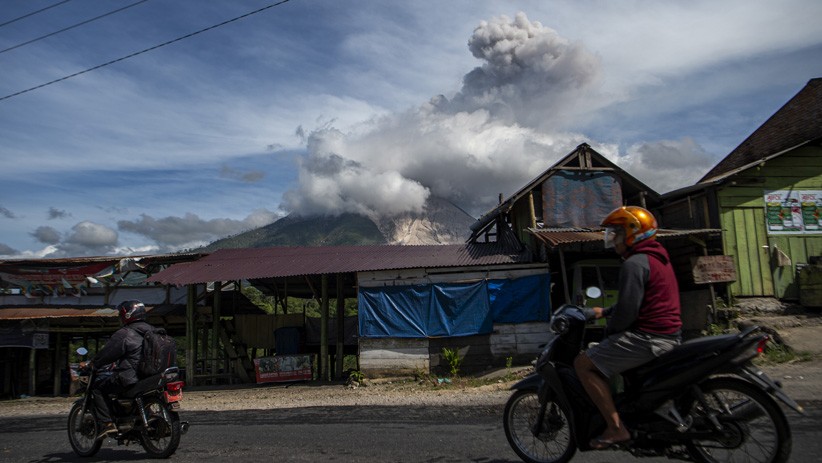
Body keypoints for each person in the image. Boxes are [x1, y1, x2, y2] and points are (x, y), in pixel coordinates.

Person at [573, 206, 682, 450]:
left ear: (633, 233)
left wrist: (609, 332)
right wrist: (604, 311)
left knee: (583, 363)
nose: (613, 239)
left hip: (649, 338)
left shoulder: (634, 264)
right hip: (668, 334)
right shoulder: (657, 258)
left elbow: (627, 312)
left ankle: (615, 428)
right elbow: (638, 300)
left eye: (617, 233)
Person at [84, 300, 154, 438]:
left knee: (98, 388)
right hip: (151, 376)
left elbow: (108, 353)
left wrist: (94, 363)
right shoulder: (154, 331)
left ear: (126, 315)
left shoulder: (125, 333)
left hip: (131, 377)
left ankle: (107, 424)